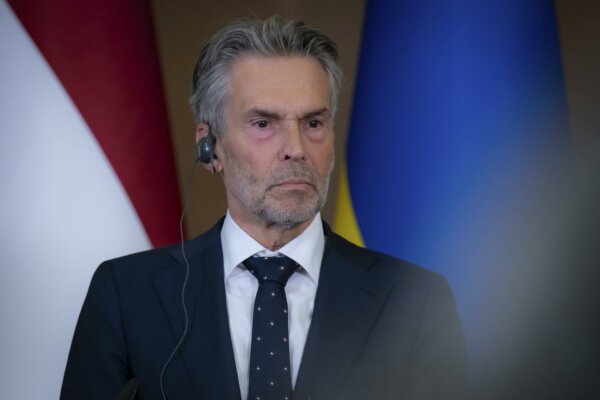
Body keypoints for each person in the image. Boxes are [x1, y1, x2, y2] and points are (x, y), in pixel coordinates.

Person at [61, 15, 467, 400]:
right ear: (210, 147)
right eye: (263, 124)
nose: (296, 149)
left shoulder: (416, 301)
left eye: (313, 123)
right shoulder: (126, 294)